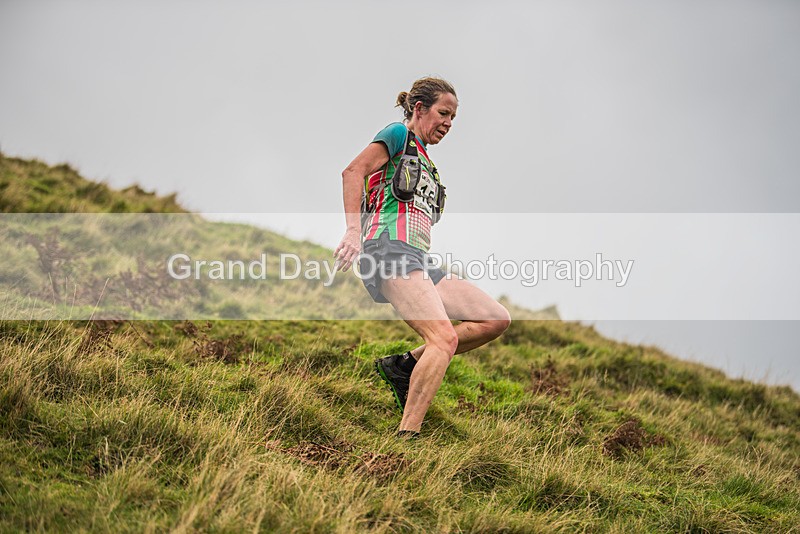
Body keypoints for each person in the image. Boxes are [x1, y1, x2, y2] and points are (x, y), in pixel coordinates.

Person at [334, 77, 511, 438]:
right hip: (387, 251)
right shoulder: (398, 134)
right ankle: (408, 435)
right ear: (419, 109)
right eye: (443, 113)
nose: (448, 123)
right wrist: (353, 231)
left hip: (416, 258)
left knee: (494, 319)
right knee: (443, 339)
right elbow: (352, 172)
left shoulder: (428, 163)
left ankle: (404, 366)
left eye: (453, 118)